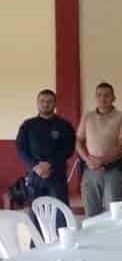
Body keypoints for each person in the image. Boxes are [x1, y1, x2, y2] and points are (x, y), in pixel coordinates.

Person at [15, 89, 75, 224]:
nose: (45, 104)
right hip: (35, 176)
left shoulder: (64, 126)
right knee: (36, 214)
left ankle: (63, 242)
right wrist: (35, 166)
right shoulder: (28, 125)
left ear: (55, 104)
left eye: (49, 101)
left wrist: (50, 164)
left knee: (61, 213)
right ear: (37, 103)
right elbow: (21, 148)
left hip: (57, 175)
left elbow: (68, 149)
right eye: (42, 101)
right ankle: (36, 244)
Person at [76, 82, 122, 217]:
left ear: (114, 98)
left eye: (107, 95)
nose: (103, 98)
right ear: (95, 98)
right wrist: (88, 160)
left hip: (113, 169)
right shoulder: (87, 116)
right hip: (90, 169)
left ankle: (112, 238)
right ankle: (94, 238)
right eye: (99, 95)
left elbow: (121, 146)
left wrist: (101, 161)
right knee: (91, 211)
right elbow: (78, 141)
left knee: (112, 211)